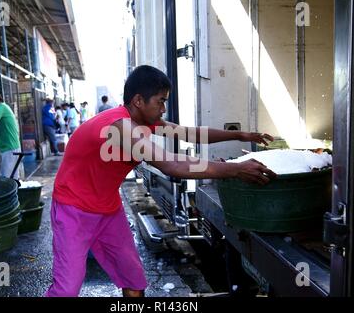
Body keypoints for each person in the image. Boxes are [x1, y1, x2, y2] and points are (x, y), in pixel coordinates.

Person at [45, 65, 276, 298]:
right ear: (138, 100)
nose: (164, 109)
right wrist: (234, 169)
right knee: (66, 290)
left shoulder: (143, 123)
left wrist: (240, 135)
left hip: (107, 208)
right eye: (160, 101)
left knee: (134, 280)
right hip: (73, 210)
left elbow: (191, 133)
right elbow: (171, 164)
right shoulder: (120, 126)